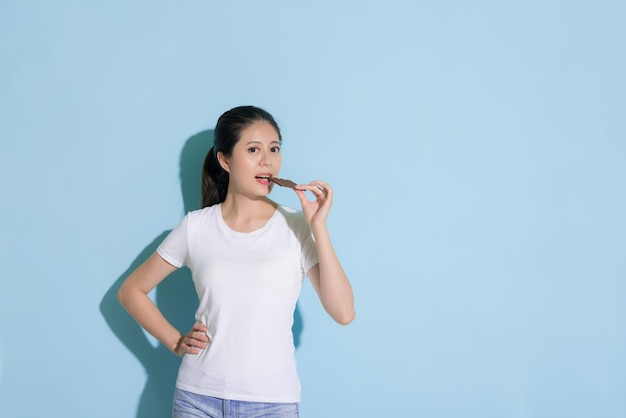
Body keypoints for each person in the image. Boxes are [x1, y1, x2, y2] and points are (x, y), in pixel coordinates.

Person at [118, 105, 355, 418]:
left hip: (272, 404)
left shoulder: (296, 226)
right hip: (196, 399)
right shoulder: (195, 227)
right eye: (253, 149)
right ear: (225, 160)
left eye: (274, 149)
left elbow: (343, 313)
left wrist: (319, 229)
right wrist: (176, 342)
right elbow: (131, 291)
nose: (267, 160)